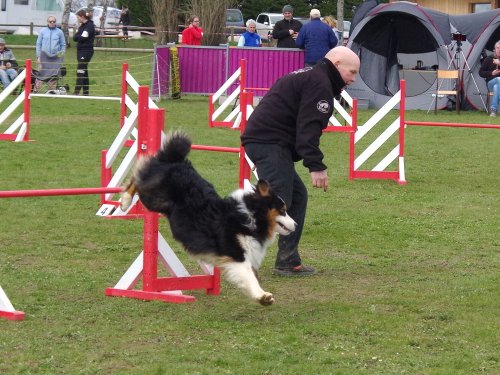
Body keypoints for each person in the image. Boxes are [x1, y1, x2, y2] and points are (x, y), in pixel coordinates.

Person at [241, 46, 360, 276]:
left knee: (296, 197)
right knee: (279, 200)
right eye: (351, 72)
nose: (353, 79)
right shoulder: (320, 84)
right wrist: (316, 166)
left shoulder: (312, 76)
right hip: (268, 141)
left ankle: (288, 261)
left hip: (268, 140)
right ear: (336, 65)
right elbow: (308, 129)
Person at [34, 16, 66, 93]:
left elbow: (63, 45)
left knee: (54, 74)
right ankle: (36, 91)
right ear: (47, 22)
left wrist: (60, 56)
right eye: (50, 21)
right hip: (44, 56)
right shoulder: (43, 31)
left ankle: (51, 91)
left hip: (55, 57)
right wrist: (38, 56)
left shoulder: (59, 32)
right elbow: (38, 44)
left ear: (55, 22)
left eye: (54, 21)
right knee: (41, 73)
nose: (52, 23)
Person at [72, 9, 95, 96]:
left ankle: (76, 92)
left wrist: (79, 37)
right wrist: (79, 37)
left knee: (80, 70)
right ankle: (86, 93)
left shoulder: (89, 26)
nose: (77, 19)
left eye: (78, 17)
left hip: (86, 51)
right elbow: (75, 38)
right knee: (84, 71)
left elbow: (82, 38)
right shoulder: (82, 26)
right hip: (80, 50)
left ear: (82, 17)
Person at [479, 40, 500, 117]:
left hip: (496, 86)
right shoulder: (489, 58)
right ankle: (494, 110)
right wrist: (492, 73)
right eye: (497, 48)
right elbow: (481, 73)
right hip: (490, 83)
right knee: (498, 80)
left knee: (497, 86)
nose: (499, 50)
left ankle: (493, 111)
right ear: (494, 49)